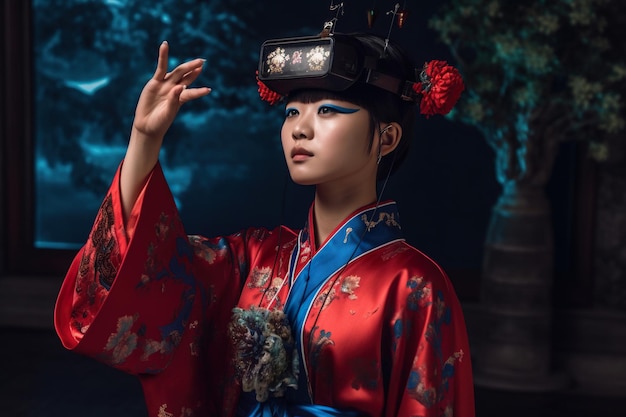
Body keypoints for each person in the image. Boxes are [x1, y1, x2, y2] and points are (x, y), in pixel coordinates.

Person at [54, 24, 474, 417]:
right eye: (292, 113)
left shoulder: (415, 284)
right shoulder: (256, 257)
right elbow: (149, 280)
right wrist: (145, 140)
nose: (300, 130)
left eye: (327, 111)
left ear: (387, 137)